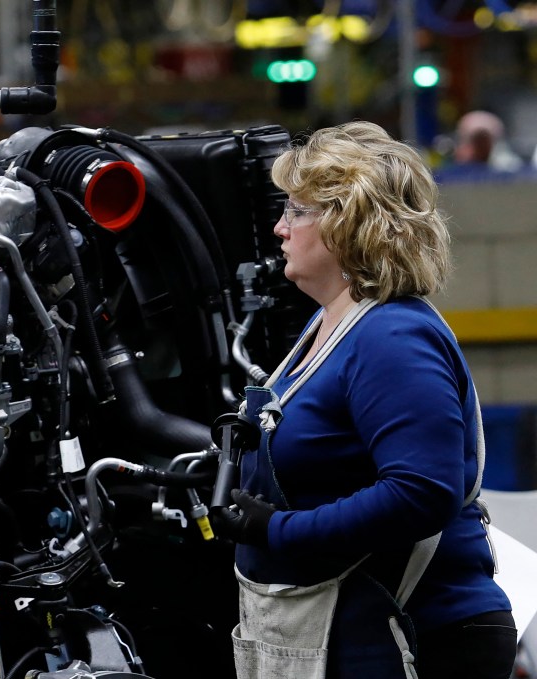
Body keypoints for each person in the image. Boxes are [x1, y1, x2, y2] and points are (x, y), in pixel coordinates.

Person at [211, 121, 516, 679]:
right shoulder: (329, 325)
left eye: (297, 211)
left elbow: (420, 492)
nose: (280, 227)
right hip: (352, 632)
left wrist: (275, 530)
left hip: (412, 637)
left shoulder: (391, 336)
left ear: (351, 222)